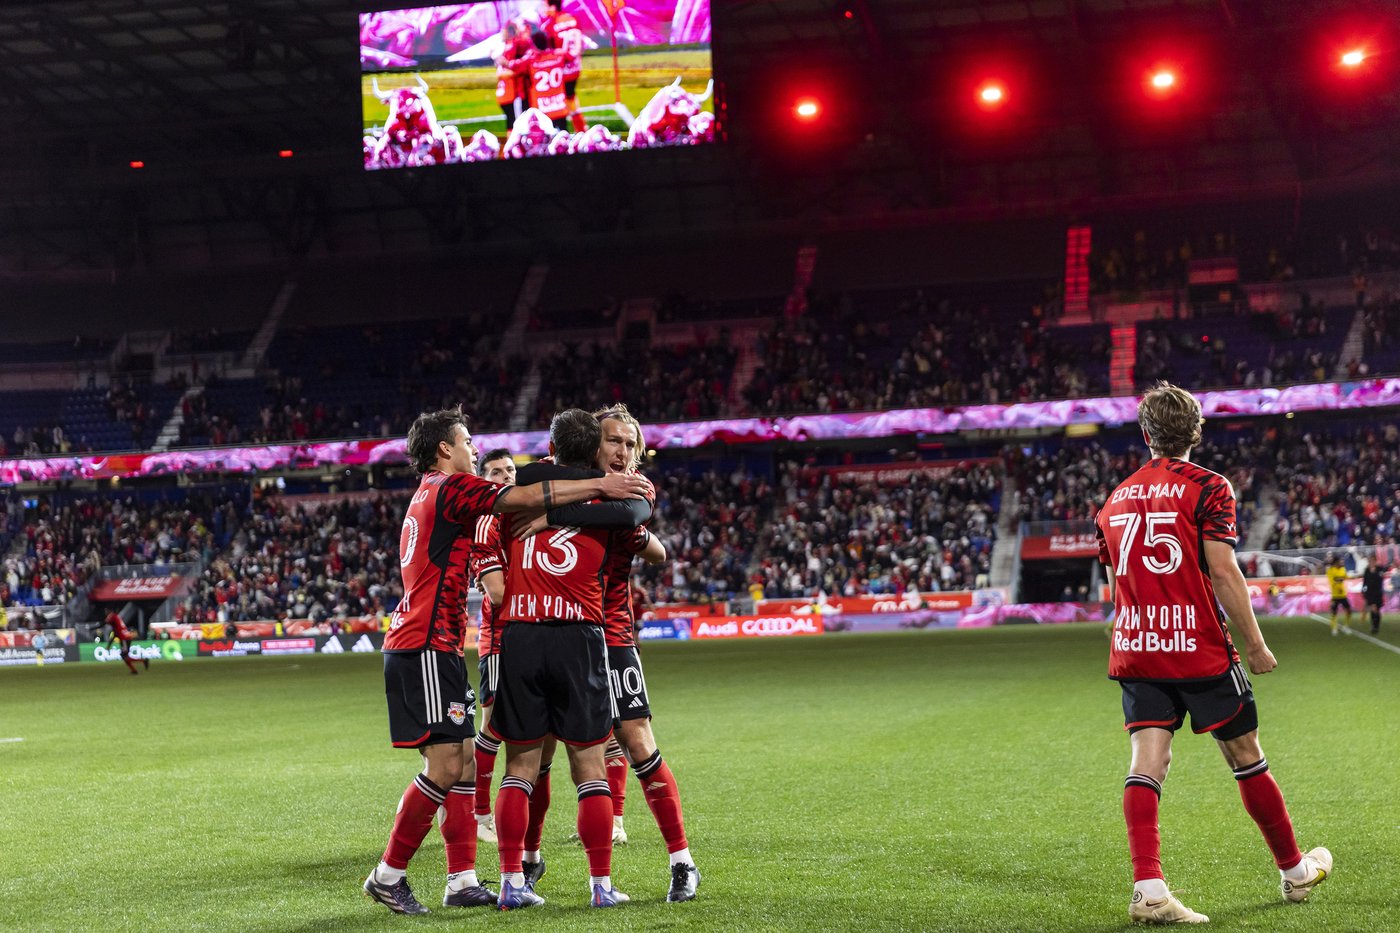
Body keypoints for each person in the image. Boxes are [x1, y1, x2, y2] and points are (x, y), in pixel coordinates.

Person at [363, 407, 649, 916]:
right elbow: (520, 493)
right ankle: (389, 874)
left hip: (438, 645)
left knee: (470, 761)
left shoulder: (431, 491)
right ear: (445, 449)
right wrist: (602, 486)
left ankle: (461, 880)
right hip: (425, 644)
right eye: (468, 441)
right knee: (448, 765)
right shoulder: (450, 486)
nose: (476, 449)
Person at [1095, 383, 1330, 924]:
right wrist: (1255, 644)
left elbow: (1115, 587)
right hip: (1197, 646)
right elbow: (1223, 571)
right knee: (1245, 755)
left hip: (1137, 646)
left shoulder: (1113, 499)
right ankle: (1295, 873)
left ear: (1146, 433)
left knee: (1147, 762)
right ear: (1195, 432)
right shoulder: (1209, 486)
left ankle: (1149, 890)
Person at [491, 409, 652, 910]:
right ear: (596, 448)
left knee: (519, 765)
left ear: (552, 447)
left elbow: (505, 492)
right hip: (579, 635)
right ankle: (601, 885)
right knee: (589, 766)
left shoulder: (522, 486)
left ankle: (511, 881)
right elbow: (634, 518)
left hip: (519, 633)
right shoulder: (616, 491)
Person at [592, 405, 700, 902]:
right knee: (540, 751)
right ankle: (523, 869)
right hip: (558, 637)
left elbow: (645, 538)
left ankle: (682, 862)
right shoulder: (574, 482)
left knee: (638, 741)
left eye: (630, 444)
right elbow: (651, 549)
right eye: (613, 441)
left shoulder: (635, 489)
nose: (623, 452)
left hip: (612, 638)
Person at [468, 447, 516, 845]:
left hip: (529, 637)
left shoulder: (523, 518)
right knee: (493, 728)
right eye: (497, 472)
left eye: (511, 470)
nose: (506, 476)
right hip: (500, 641)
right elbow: (498, 594)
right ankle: (480, 813)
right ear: (485, 480)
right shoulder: (487, 522)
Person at [542, 0, 586, 132]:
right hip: (576, 67)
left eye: (545, 5)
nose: (543, 9)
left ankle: (569, 133)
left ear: (552, 6)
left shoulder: (550, 24)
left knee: (562, 102)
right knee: (571, 97)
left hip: (562, 70)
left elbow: (549, 51)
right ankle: (581, 128)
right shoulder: (573, 18)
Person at [103, 609, 145, 676]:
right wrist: (108, 646)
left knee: (124, 656)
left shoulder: (113, 616)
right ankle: (135, 669)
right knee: (124, 656)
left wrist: (108, 646)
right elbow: (113, 635)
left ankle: (142, 661)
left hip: (124, 638)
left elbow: (106, 622)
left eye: (106, 612)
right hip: (125, 637)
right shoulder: (116, 620)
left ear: (109, 612)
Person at [1326, 554, 1352, 636]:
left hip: (1343, 595)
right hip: (1335, 595)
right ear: (1335, 562)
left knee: (1349, 610)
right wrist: (1339, 584)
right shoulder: (1330, 570)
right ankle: (1334, 628)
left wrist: (1355, 576)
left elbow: (1346, 577)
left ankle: (1346, 626)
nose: (1341, 562)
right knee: (1334, 612)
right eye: (1340, 561)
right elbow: (1332, 582)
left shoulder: (1343, 569)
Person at [1362, 562, 1385, 635]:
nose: (1371, 563)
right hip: (1370, 593)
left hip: (1378, 593)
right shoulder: (1367, 571)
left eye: (1373, 560)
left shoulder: (1379, 570)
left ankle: (1376, 626)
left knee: (1376, 610)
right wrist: (1363, 590)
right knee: (1373, 608)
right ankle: (1374, 626)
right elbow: (1365, 582)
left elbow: (1381, 580)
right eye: (1370, 560)